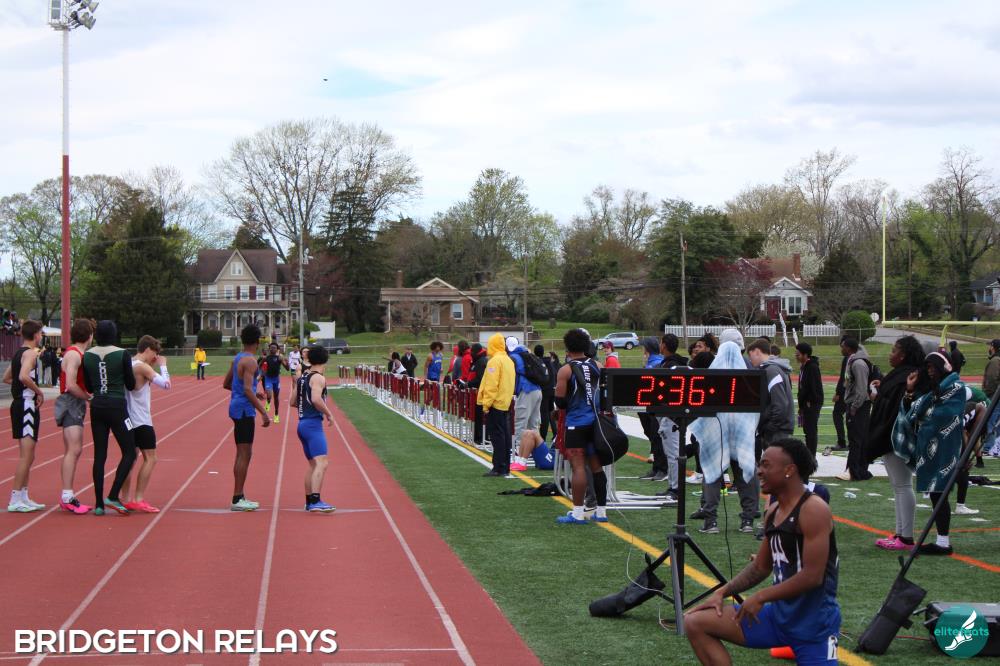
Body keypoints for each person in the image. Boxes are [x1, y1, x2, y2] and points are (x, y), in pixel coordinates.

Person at [685, 438, 840, 666]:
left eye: (766, 465)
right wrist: (722, 592)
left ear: (789, 470)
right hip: (778, 617)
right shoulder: (774, 510)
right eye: (760, 464)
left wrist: (760, 597)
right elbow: (761, 567)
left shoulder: (813, 509)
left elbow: (812, 576)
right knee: (695, 621)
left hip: (813, 625)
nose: (759, 471)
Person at [893, 351, 966, 555]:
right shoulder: (935, 389)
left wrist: (924, 414)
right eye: (928, 367)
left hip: (946, 447)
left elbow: (946, 414)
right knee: (936, 494)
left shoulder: (956, 387)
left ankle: (943, 543)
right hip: (931, 448)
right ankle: (942, 541)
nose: (930, 371)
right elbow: (913, 410)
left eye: (933, 366)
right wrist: (910, 390)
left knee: (940, 493)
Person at [690, 341, 762, 534]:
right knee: (745, 474)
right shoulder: (747, 379)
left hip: (717, 432)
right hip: (741, 434)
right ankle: (748, 519)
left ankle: (711, 520)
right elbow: (756, 409)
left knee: (712, 474)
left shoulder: (713, 377)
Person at [866, 336, 925, 551]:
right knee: (899, 486)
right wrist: (881, 389)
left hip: (896, 437)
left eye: (894, 350)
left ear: (903, 355)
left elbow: (897, 407)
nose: (890, 354)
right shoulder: (902, 374)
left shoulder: (908, 376)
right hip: (892, 436)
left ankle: (906, 537)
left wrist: (881, 394)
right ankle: (900, 534)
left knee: (902, 485)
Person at [82, 320, 138, 515]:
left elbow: (89, 386)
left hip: (97, 406)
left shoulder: (88, 355)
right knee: (130, 451)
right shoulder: (122, 354)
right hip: (117, 407)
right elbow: (130, 385)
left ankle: (99, 504)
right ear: (114, 334)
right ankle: (113, 495)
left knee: (100, 455)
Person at [554, 328, 608, 524]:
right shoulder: (598, 365)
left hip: (576, 424)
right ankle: (601, 512)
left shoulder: (565, 370)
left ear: (568, 347)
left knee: (578, 468)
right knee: (597, 467)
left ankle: (577, 513)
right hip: (596, 424)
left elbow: (560, 402)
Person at [222, 324, 271, 511]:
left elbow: (227, 384)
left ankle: (239, 496)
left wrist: (250, 393)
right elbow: (247, 389)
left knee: (242, 453)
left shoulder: (237, 358)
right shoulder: (250, 361)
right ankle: (237, 498)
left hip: (237, 407)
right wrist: (264, 412)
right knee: (245, 454)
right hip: (244, 410)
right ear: (257, 341)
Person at [120, 335, 171, 513]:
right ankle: (139, 498)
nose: (155, 357)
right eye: (155, 353)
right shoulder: (143, 367)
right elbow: (166, 385)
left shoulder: (129, 364)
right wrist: (163, 365)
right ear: (148, 349)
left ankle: (125, 498)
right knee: (151, 458)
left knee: (129, 459)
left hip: (128, 418)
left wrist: (152, 365)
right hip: (141, 420)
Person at [4, 320, 46, 512]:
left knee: (29, 455)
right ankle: (15, 499)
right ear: (36, 335)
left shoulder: (18, 353)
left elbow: (7, 378)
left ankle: (23, 496)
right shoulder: (30, 353)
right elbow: (22, 376)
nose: (41, 336)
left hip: (21, 404)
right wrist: (38, 391)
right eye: (41, 333)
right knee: (26, 455)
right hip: (26, 405)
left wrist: (23, 387)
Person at [54, 319, 96, 514]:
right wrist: (89, 397)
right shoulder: (73, 354)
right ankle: (67, 496)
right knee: (74, 449)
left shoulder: (78, 354)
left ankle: (67, 494)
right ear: (90, 336)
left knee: (73, 449)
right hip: (71, 402)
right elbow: (70, 384)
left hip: (75, 402)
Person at [290, 345, 336, 513]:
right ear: (325, 360)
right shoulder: (318, 378)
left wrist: (306, 407)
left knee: (313, 464)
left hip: (302, 424)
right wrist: (329, 414)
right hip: (312, 425)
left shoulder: (303, 377)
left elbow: (292, 402)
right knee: (322, 463)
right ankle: (315, 501)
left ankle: (310, 501)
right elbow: (316, 399)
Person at [477, 334, 515, 476]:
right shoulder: (508, 360)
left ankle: (498, 467)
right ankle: (505, 466)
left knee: (497, 437)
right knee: (505, 436)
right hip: (505, 402)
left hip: (496, 403)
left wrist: (486, 405)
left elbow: (491, 385)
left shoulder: (494, 361)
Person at [838, 337, 873, 481]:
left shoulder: (858, 363)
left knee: (856, 439)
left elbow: (861, 389)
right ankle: (858, 469)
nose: (841, 349)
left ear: (849, 348)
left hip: (858, 406)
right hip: (857, 405)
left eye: (842, 346)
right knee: (858, 439)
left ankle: (854, 471)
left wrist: (854, 406)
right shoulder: (853, 360)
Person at [638, 337, 667, 481]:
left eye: (644, 347)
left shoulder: (657, 363)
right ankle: (656, 467)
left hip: (658, 407)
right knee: (653, 437)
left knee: (658, 438)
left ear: (648, 349)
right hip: (649, 407)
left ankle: (662, 469)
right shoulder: (651, 363)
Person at [509, 337, 543, 453]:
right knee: (534, 424)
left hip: (526, 390)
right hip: (537, 390)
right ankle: (537, 450)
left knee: (521, 421)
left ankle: (520, 449)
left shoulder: (513, 357)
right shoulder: (528, 355)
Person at [795, 343, 824, 459]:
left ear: (805, 355)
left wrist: (809, 401)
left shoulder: (812, 367)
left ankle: (812, 458)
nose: (796, 356)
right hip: (806, 403)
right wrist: (801, 405)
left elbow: (812, 387)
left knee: (811, 431)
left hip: (811, 403)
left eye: (798, 354)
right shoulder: (804, 366)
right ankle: (809, 456)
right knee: (808, 430)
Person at [260, 342, 289, 424]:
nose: (272, 349)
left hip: (276, 379)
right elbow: (260, 366)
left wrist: (286, 362)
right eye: (271, 347)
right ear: (269, 349)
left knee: (276, 397)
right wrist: (262, 370)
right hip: (268, 378)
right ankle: (268, 401)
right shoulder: (266, 358)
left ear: (277, 349)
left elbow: (287, 369)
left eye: (274, 348)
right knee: (269, 394)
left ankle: (276, 414)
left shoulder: (279, 358)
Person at [830, 336, 850, 452]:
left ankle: (842, 442)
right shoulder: (857, 358)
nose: (841, 349)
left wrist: (838, 392)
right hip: (850, 392)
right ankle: (851, 442)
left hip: (847, 393)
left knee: (838, 414)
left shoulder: (849, 359)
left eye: (842, 347)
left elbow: (844, 377)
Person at [467, 343, 488, 447]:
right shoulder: (477, 361)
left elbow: (480, 379)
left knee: (479, 416)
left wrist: (468, 384)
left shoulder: (481, 361)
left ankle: (480, 437)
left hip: (480, 393)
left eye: (472, 351)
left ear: (476, 351)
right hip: (476, 393)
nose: (470, 353)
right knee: (476, 416)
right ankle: (477, 436)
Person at [982, 339, 1000, 456]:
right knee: (997, 422)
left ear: (993, 347)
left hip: (995, 395)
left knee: (991, 421)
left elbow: (992, 379)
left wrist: (986, 393)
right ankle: (996, 446)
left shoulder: (995, 360)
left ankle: (989, 447)